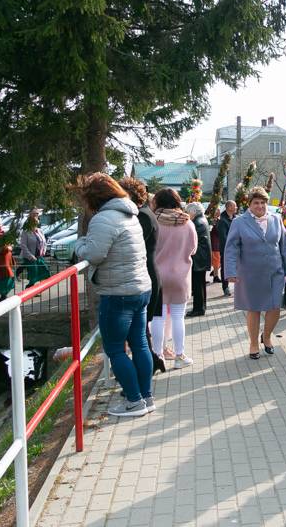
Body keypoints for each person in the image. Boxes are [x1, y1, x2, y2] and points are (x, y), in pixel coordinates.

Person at [72, 173, 153, 417]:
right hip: (140, 289)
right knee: (139, 344)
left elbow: (94, 254)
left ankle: (134, 402)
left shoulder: (104, 218)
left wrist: (79, 245)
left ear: (93, 198)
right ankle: (146, 397)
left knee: (115, 350)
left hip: (117, 293)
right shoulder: (131, 214)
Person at [225, 186, 286, 358]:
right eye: (256, 203)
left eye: (263, 203)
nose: (260, 206)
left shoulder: (276, 219)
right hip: (250, 273)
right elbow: (231, 249)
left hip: (275, 272)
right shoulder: (239, 222)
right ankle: (254, 343)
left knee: (275, 307)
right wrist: (231, 272)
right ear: (249, 204)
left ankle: (267, 336)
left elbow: (284, 246)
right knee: (254, 309)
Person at [119, 177, 166, 374]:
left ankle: (148, 366)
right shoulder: (145, 213)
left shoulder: (143, 216)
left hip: (146, 274)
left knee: (139, 331)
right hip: (148, 273)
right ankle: (153, 362)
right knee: (141, 330)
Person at [150, 188, 197, 369]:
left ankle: (157, 354)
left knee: (157, 318)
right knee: (178, 317)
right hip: (180, 276)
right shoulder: (187, 223)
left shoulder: (154, 222)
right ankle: (179, 356)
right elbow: (192, 249)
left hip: (158, 275)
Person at [186, 202, 211, 317]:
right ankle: (200, 308)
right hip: (201, 257)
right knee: (200, 285)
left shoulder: (197, 222)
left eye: (188, 212)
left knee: (197, 285)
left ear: (194, 212)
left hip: (198, 258)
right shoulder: (202, 220)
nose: (187, 214)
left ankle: (198, 309)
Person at [19, 210, 48, 288]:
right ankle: (29, 288)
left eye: (36, 222)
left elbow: (44, 242)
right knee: (34, 274)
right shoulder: (25, 232)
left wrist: (44, 251)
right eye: (33, 223)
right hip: (30, 257)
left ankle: (38, 288)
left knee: (44, 272)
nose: (35, 224)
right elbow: (23, 245)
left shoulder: (40, 231)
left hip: (39, 256)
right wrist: (31, 256)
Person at [217, 200, 237, 297]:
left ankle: (238, 287)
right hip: (226, 249)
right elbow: (223, 237)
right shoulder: (222, 221)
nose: (236, 208)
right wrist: (229, 248)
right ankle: (225, 287)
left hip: (237, 248)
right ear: (229, 207)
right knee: (225, 267)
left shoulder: (235, 218)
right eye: (234, 206)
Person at [209, 208, 222, 283]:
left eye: (219, 211)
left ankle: (215, 272)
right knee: (216, 260)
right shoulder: (212, 221)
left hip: (218, 242)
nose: (218, 212)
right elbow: (217, 231)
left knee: (218, 260)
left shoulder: (218, 220)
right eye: (217, 211)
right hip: (214, 243)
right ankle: (215, 276)